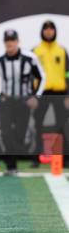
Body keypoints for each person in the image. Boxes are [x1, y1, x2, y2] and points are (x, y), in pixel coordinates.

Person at [0, 29, 45, 176]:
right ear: (4, 42)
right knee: (5, 132)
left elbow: (42, 77)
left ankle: (13, 158)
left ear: (17, 41)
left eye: (12, 41)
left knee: (20, 133)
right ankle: (11, 166)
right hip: (5, 100)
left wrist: (36, 96)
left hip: (23, 101)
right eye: (7, 41)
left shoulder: (29, 58)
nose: (10, 44)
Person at [32, 20, 68, 167]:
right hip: (42, 92)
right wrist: (33, 95)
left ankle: (64, 158)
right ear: (42, 31)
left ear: (55, 31)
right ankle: (35, 159)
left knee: (63, 125)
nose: (48, 31)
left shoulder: (62, 50)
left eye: (51, 29)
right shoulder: (35, 51)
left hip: (60, 93)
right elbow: (30, 75)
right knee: (37, 125)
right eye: (46, 29)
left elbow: (68, 74)